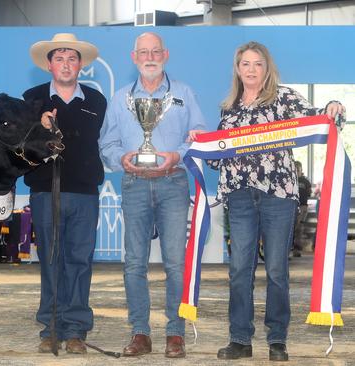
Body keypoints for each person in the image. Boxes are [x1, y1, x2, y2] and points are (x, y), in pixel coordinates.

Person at [188, 41, 345, 362]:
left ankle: (277, 340)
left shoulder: (283, 97)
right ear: (237, 69)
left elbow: (318, 118)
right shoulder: (228, 108)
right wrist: (201, 145)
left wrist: (332, 107)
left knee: (276, 270)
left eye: (257, 63)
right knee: (239, 269)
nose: (251, 69)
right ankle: (240, 339)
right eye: (245, 63)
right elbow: (219, 160)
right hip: (239, 196)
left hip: (279, 195)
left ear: (266, 68)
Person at [98, 32, 206, 359]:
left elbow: (199, 138)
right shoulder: (120, 99)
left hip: (174, 183)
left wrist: (178, 155)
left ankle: (175, 334)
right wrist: (122, 160)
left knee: (175, 262)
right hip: (134, 184)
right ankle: (140, 333)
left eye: (155, 51)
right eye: (143, 52)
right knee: (134, 263)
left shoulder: (184, 94)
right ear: (134, 58)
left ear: (166, 55)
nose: (149, 56)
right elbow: (107, 145)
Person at [23, 33, 107, 354]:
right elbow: (21, 146)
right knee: (51, 260)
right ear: (49, 65)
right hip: (45, 191)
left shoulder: (97, 101)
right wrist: (38, 129)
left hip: (85, 192)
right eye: (59, 58)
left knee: (80, 260)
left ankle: (76, 329)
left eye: (72, 58)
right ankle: (50, 327)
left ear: (81, 65)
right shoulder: (31, 100)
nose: (66, 64)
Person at [292, 160, 311, 257]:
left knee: (299, 228)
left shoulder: (305, 181)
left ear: (301, 170)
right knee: (292, 227)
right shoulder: (290, 180)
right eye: (295, 170)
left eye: (298, 170)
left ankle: (297, 249)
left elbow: (309, 193)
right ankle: (290, 248)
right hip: (292, 206)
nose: (297, 172)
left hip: (302, 206)